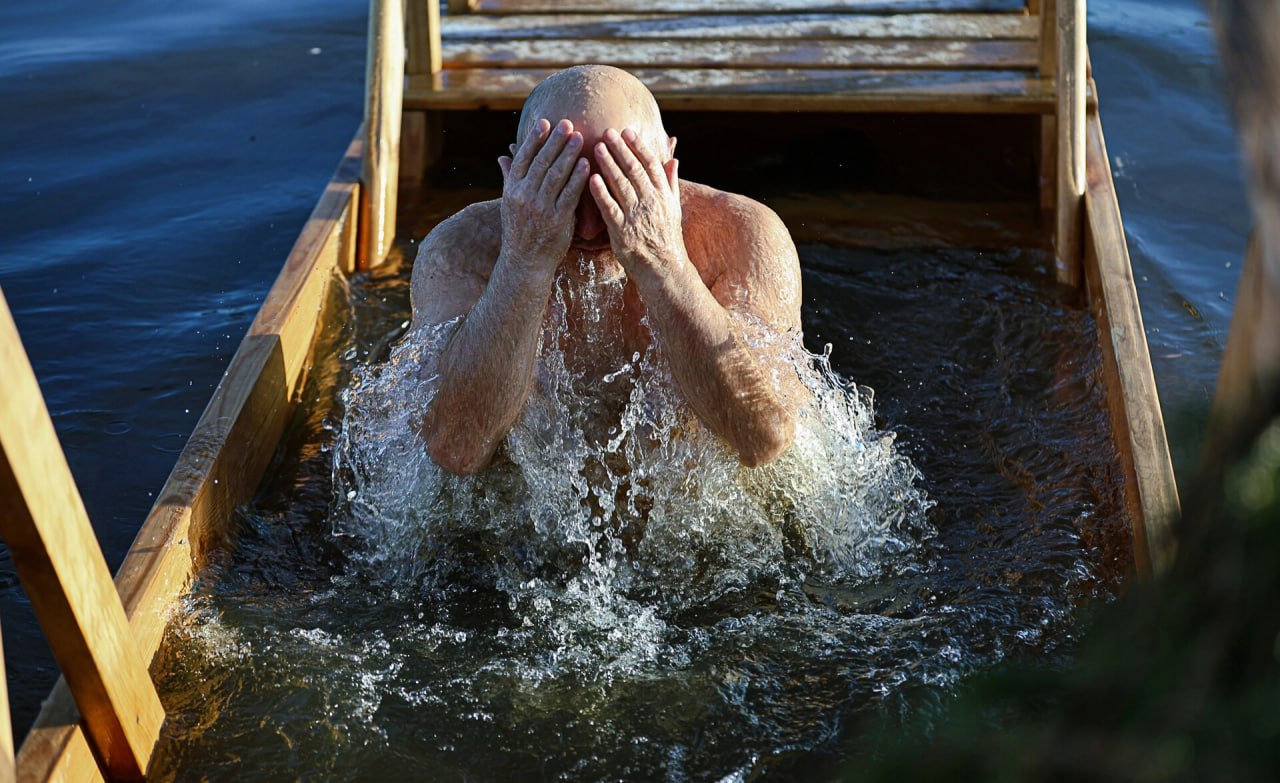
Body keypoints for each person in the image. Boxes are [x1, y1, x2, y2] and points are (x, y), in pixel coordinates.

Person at [410, 64, 805, 476]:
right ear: (517, 172)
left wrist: (663, 263)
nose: (588, 228)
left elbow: (764, 439)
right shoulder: (459, 251)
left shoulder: (742, 235)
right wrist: (523, 262)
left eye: (617, 188)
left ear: (666, 164)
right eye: (563, 188)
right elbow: (456, 450)